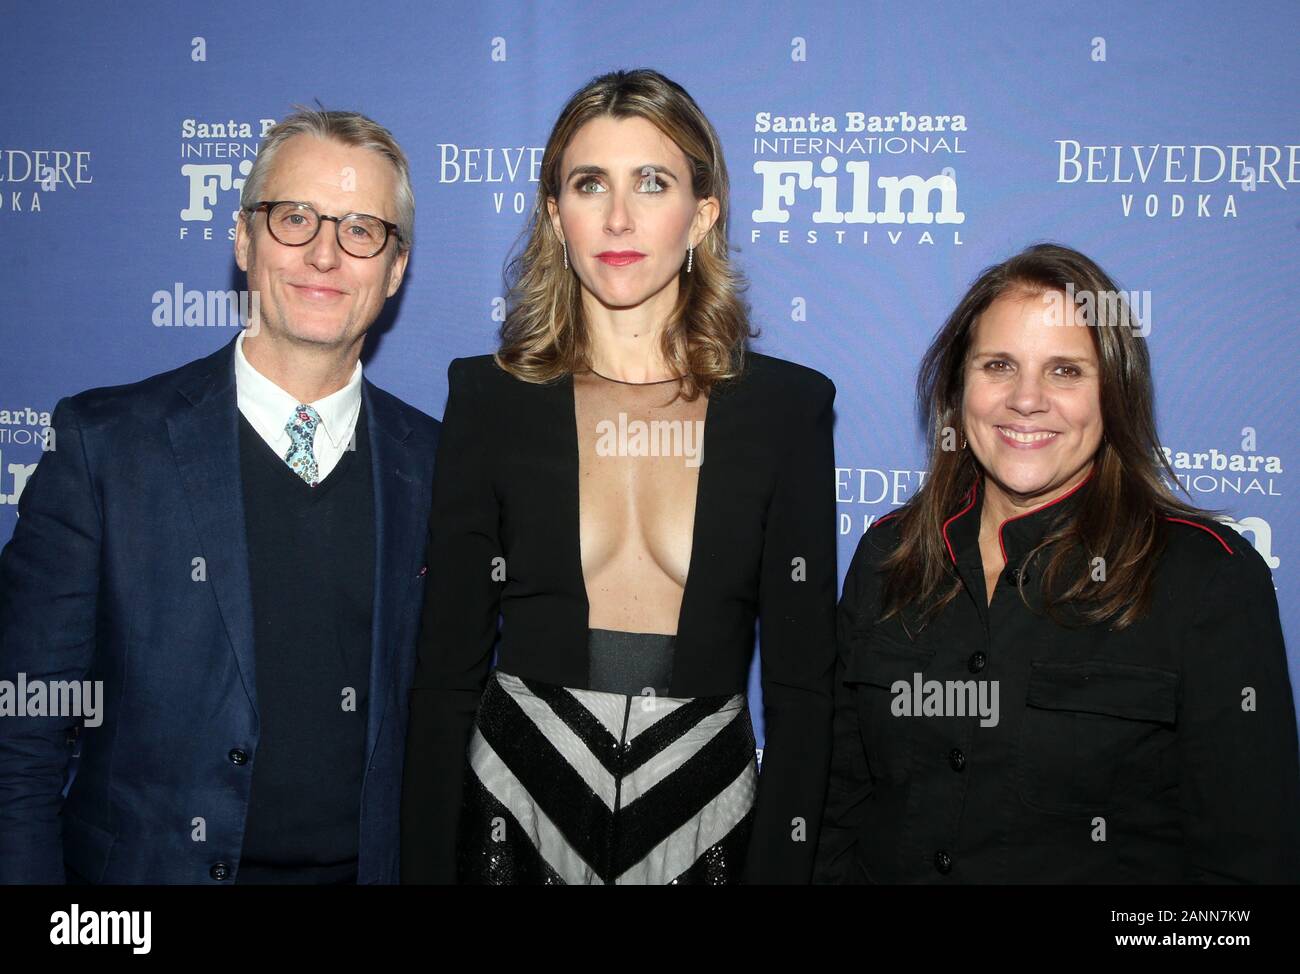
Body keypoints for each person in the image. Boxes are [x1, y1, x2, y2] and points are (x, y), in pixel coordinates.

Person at [400, 68, 837, 885]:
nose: (619, 216)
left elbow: (805, 693)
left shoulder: (788, 410)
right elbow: (444, 678)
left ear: (702, 215)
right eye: (589, 183)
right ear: (555, 216)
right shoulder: (490, 398)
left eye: (653, 182)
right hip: (514, 808)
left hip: (709, 817)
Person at [0, 108, 440, 884]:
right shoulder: (106, 446)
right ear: (243, 238)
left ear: (396, 268)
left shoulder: (438, 465)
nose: (324, 254)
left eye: (361, 229)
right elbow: (22, 740)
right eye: (294, 217)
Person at [815, 243, 1300, 884]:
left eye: (1066, 372)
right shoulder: (889, 555)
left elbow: (1251, 866)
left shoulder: (1205, 578)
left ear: (1115, 392)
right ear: (958, 385)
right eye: (998, 365)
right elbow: (837, 811)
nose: (1026, 399)